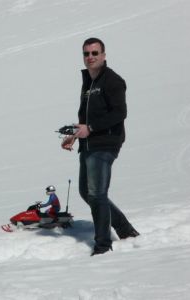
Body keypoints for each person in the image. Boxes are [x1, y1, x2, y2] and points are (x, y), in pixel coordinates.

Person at [61, 37, 139, 256]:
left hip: (105, 143)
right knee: (87, 193)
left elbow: (119, 113)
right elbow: (86, 116)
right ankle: (125, 230)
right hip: (89, 143)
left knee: (96, 193)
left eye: (95, 53)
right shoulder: (88, 82)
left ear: (104, 55)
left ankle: (103, 246)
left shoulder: (112, 81)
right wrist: (75, 135)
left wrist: (91, 128)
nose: (90, 57)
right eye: (86, 54)